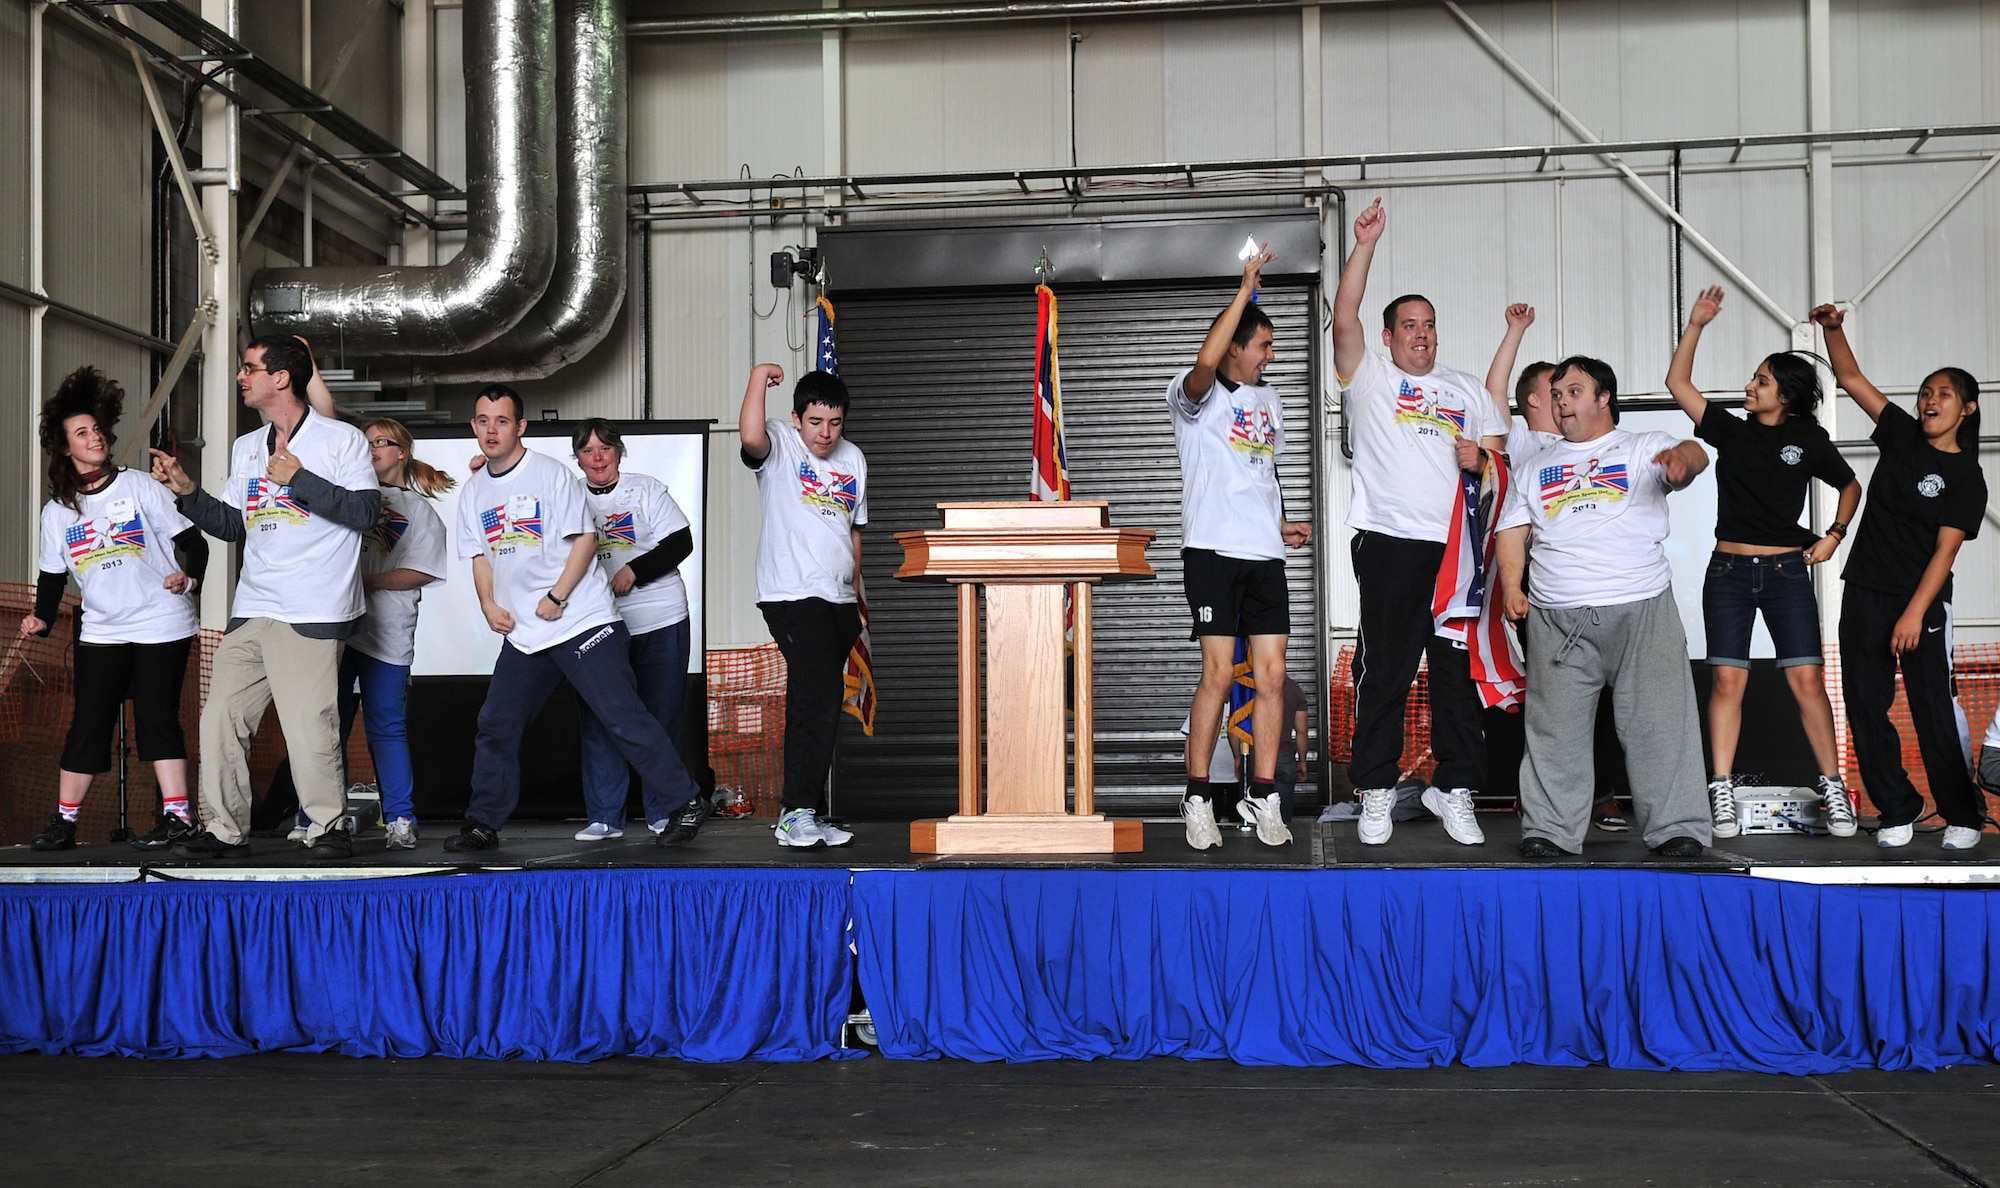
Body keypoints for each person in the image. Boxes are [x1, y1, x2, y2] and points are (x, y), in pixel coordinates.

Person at [444, 386, 704, 852]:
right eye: (483, 420)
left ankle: (685, 800)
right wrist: (487, 603)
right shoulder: (475, 490)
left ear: (520, 427)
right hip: (526, 633)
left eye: (501, 421)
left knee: (622, 717)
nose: (491, 430)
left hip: (581, 620)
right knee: (497, 723)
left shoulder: (549, 475)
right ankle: (483, 822)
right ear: (474, 427)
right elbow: (480, 556)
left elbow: (585, 540)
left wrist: (557, 596)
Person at [149, 336, 379, 860]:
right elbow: (232, 525)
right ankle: (224, 830)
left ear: (281, 378)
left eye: (249, 368)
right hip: (253, 607)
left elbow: (367, 514)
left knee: (308, 727)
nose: (240, 376)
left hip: (314, 607)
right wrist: (186, 490)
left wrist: (299, 479)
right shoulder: (246, 446)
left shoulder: (341, 440)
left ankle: (328, 828)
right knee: (220, 717)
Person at [1333, 198, 1507, 847]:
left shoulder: (1466, 389)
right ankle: (1374, 789)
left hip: (1457, 554)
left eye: (1429, 325)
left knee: (1456, 675)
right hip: (1390, 546)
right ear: (1388, 337)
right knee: (1388, 673)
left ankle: (1455, 787)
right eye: (1409, 325)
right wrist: (1365, 245)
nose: (1422, 335)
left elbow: (1503, 468)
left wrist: (1484, 458)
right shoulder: (1369, 377)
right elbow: (1343, 315)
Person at [1667, 286, 1864, 840]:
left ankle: (1833, 787)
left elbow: (1851, 486)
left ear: (1788, 394)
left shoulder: (1808, 437)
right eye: (1753, 379)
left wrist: (1833, 536)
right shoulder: (1733, 431)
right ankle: (1721, 789)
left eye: (1762, 380)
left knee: (1806, 680)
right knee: (1728, 681)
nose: (1750, 387)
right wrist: (1697, 325)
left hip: (1786, 574)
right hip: (1727, 573)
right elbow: (1678, 385)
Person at [1496, 356, 1713, 859]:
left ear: (1602, 398)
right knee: (1554, 728)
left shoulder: (1641, 447)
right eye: (1556, 394)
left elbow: (1694, 452)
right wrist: (1512, 587)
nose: (1561, 402)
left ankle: (1676, 827)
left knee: (1659, 721)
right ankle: (1549, 829)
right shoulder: (1535, 466)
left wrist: (1682, 463)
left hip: (1641, 607)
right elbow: (1512, 531)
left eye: (1573, 391)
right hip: (1557, 614)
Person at [1811, 304, 1989, 850]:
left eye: (1944, 394)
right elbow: (1849, 378)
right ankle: (1897, 806)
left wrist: (1914, 612)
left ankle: (1962, 812)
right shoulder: (1901, 435)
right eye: (1926, 391)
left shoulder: (1967, 477)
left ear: (1967, 409)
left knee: (1932, 704)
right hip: (1865, 591)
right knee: (1864, 704)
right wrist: (1833, 330)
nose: (1930, 400)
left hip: (1923, 604)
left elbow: (1945, 553)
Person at [24, 368, 207, 852]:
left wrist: (188, 579)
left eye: (97, 429)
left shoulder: (140, 487)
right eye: (81, 433)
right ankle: (63, 823)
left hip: (161, 621)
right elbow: (52, 576)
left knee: (156, 716)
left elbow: (195, 543)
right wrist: (41, 618)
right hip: (102, 629)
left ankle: (178, 817)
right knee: (88, 722)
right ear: (65, 448)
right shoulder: (57, 512)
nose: (95, 437)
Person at [1169, 246, 1313, 851]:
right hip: (1211, 552)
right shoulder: (1193, 394)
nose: (1271, 355)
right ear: (1235, 346)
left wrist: (1281, 525)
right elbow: (1207, 357)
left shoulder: (1271, 401)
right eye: (1264, 345)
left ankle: (1264, 794)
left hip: (1264, 557)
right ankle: (1198, 797)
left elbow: (1264, 473)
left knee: (1274, 676)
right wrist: (1244, 288)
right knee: (1219, 673)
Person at [740, 363, 867, 848]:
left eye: (834, 423)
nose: (825, 433)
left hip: (837, 599)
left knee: (821, 702)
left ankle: (806, 809)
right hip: (791, 593)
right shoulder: (780, 444)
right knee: (815, 697)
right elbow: (750, 435)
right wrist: (757, 378)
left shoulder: (853, 458)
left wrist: (856, 597)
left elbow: (853, 531)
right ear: (797, 418)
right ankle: (796, 811)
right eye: (815, 422)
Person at [571, 417, 704, 842]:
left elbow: (681, 542)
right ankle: (605, 817)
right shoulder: (569, 495)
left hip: (661, 618)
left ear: (618, 451)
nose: (597, 458)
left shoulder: (645, 488)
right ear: (577, 457)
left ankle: (664, 810)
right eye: (588, 451)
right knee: (600, 718)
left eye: (605, 449)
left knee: (660, 715)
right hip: (599, 623)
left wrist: (635, 570)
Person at [338, 417, 451, 850]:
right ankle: (319, 815)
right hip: (338, 625)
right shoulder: (348, 498)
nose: (371, 450)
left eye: (379, 443)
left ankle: (401, 818)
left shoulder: (420, 511)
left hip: (386, 631)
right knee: (331, 724)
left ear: (402, 452)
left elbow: (421, 571)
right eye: (364, 444)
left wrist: (367, 583)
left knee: (385, 725)